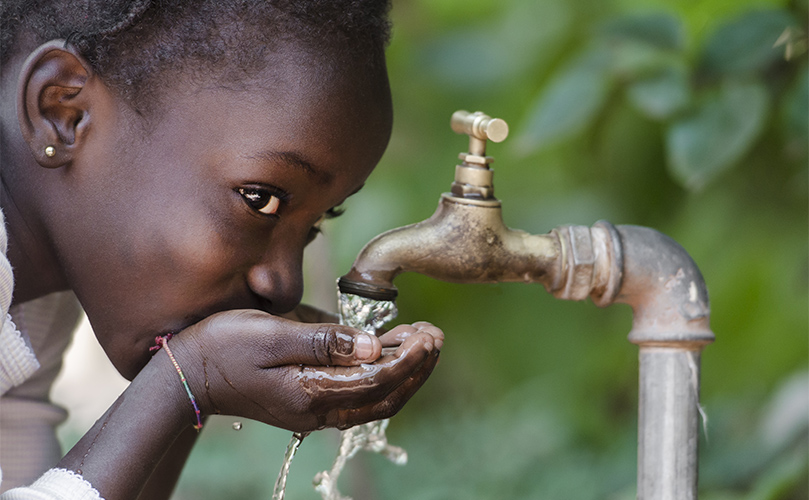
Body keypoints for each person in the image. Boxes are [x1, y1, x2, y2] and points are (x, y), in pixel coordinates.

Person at [0, 1, 445, 498]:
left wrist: (195, 385)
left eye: (318, 222)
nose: (282, 286)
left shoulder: (34, 294)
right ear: (64, 111)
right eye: (261, 199)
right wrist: (185, 381)